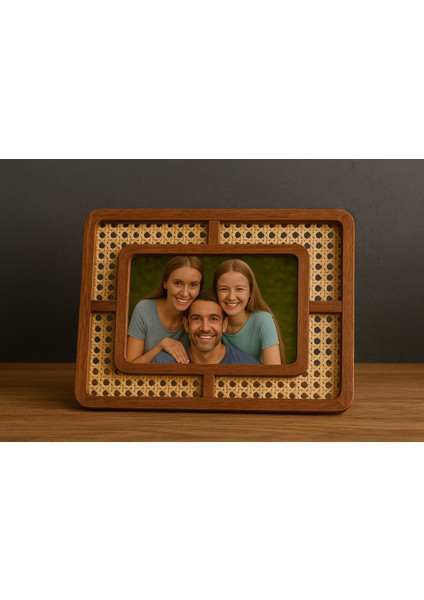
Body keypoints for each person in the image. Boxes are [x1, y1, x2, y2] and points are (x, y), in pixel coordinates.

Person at [127, 256, 203, 363]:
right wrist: (161, 346)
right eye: (178, 283)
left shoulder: (200, 316)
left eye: (193, 285)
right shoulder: (144, 309)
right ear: (165, 283)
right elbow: (130, 365)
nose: (185, 293)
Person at [152, 289, 260, 364]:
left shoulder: (248, 367)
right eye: (196, 319)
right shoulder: (165, 363)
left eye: (213, 319)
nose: (205, 328)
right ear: (186, 324)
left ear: (224, 325)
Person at [213, 259, 285, 364]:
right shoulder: (211, 322)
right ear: (216, 291)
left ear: (250, 292)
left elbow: (274, 369)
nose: (231, 297)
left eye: (239, 289)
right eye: (224, 289)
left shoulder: (263, 321)